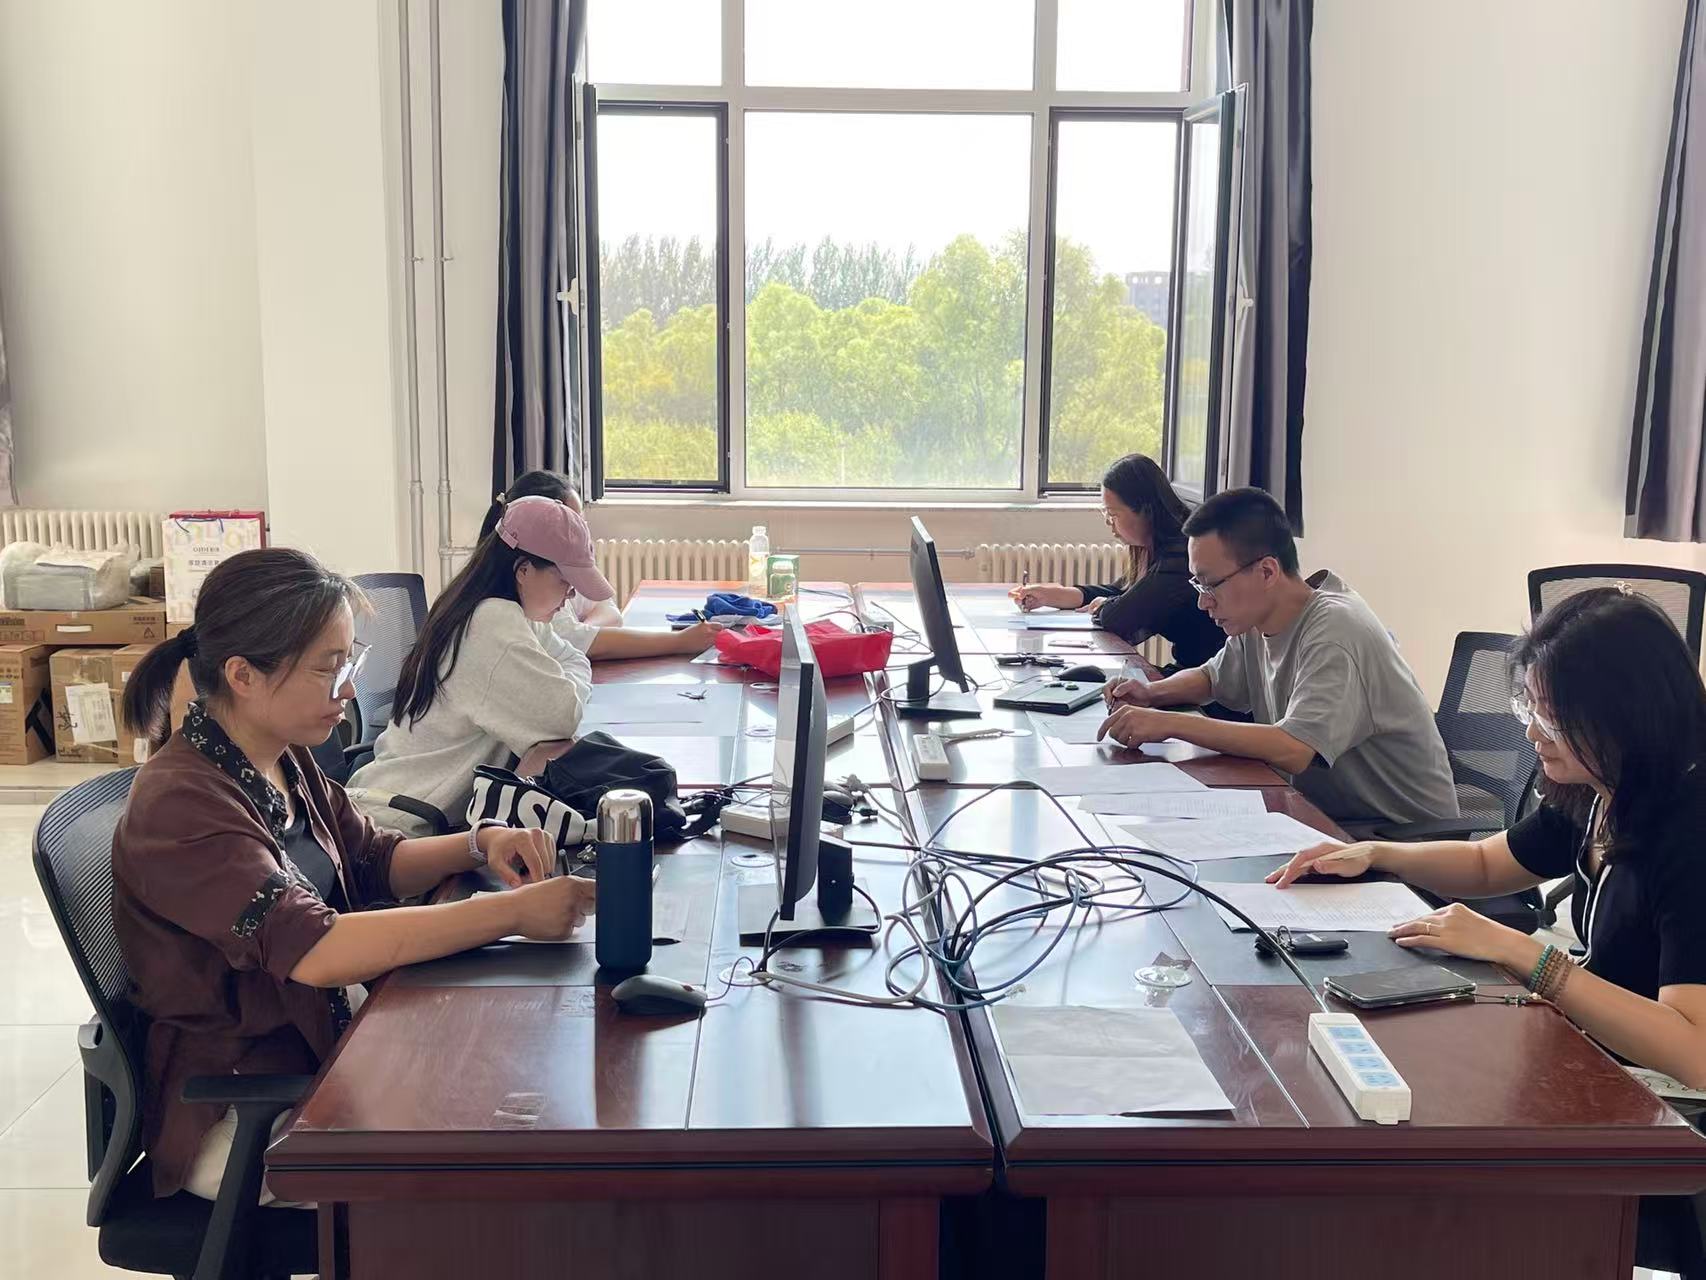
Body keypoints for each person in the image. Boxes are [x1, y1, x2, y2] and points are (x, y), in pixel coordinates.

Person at [113, 548, 596, 1202]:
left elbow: (372, 858)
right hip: (245, 1109)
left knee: (519, 1071)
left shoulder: (279, 754)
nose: (345, 690)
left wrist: (480, 844)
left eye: (349, 663)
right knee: (498, 1154)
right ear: (243, 675)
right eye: (327, 668)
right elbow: (317, 950)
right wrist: (510, 913)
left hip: (323, 1042)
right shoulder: (182, 804)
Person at [1268, 588, 1706, 1085]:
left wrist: (1523, 953)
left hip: (1667, 1098)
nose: (1533, 734)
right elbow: (1486, 863)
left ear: (1625, 716)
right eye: (1530, 710)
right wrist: (1375, 853)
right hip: (1597, 1051)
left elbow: (1694, 1052)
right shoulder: (1601, 787)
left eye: (1552, 719)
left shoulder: (1691, 831)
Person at [1098, 487, 1458, 826]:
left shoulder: (1335, 632)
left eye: (1211, 584)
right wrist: (1151, 693)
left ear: (1267, 571)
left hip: (1401, 839)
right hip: (1330, 819)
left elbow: (1294, 749)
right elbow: (1212, 678)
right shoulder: (1257, 619)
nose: (1203, 602)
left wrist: (1170, 724)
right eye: (1198, 584)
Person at [347, 495, 611, 834]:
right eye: (565, 582)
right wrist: (566, 683)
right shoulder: (491, 624)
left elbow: (572, 657)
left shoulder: (497, 608)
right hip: (401, 824)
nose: (571, 595)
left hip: (418, 809)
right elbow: (563, 715)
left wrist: (563, 681)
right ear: (524, 570)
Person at [1009, 453, 1225, 670]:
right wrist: (1053, 595)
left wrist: (1105, 604)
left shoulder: (1179, 555)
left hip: (1207, 677)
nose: (1109, 523)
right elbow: (1122, 591)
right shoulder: (1158, 546)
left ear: (1145, 510)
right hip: (1194, 671)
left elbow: (1119, 617)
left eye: (1113, 514)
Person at [482, 471, 726, 660]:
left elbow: (606, 610)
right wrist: (679, 642)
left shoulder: (546, 583)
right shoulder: (506, 615)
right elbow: (565, 700)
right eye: (573, 522)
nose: (582, 532)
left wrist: (582, 635)